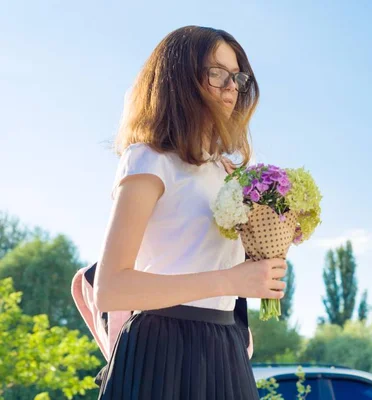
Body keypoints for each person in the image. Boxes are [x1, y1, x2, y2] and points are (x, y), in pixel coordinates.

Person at [93, 26, 286, 399]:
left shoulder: (229, 173)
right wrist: (231, 280)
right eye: (217, 72)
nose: (231, 86)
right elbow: (110, 288)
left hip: (225, 347)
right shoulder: (150, 158)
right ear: (178, 78)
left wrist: (263, 271)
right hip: (160, 350)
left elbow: (229, 274)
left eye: (238, 77)